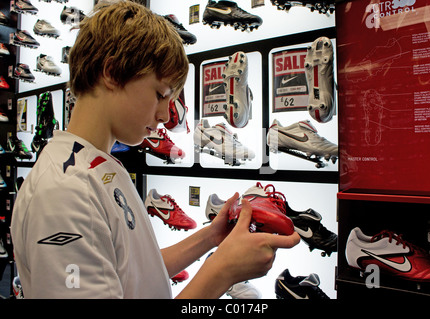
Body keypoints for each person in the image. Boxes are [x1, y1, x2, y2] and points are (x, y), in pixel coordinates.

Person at [11, 1, 300, 299]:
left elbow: (133, 273)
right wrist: (223, 272)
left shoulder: (97, 166)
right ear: (112, 72)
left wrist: (211, 237)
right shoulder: (65, 193)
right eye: (160, 94)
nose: (165, 115)